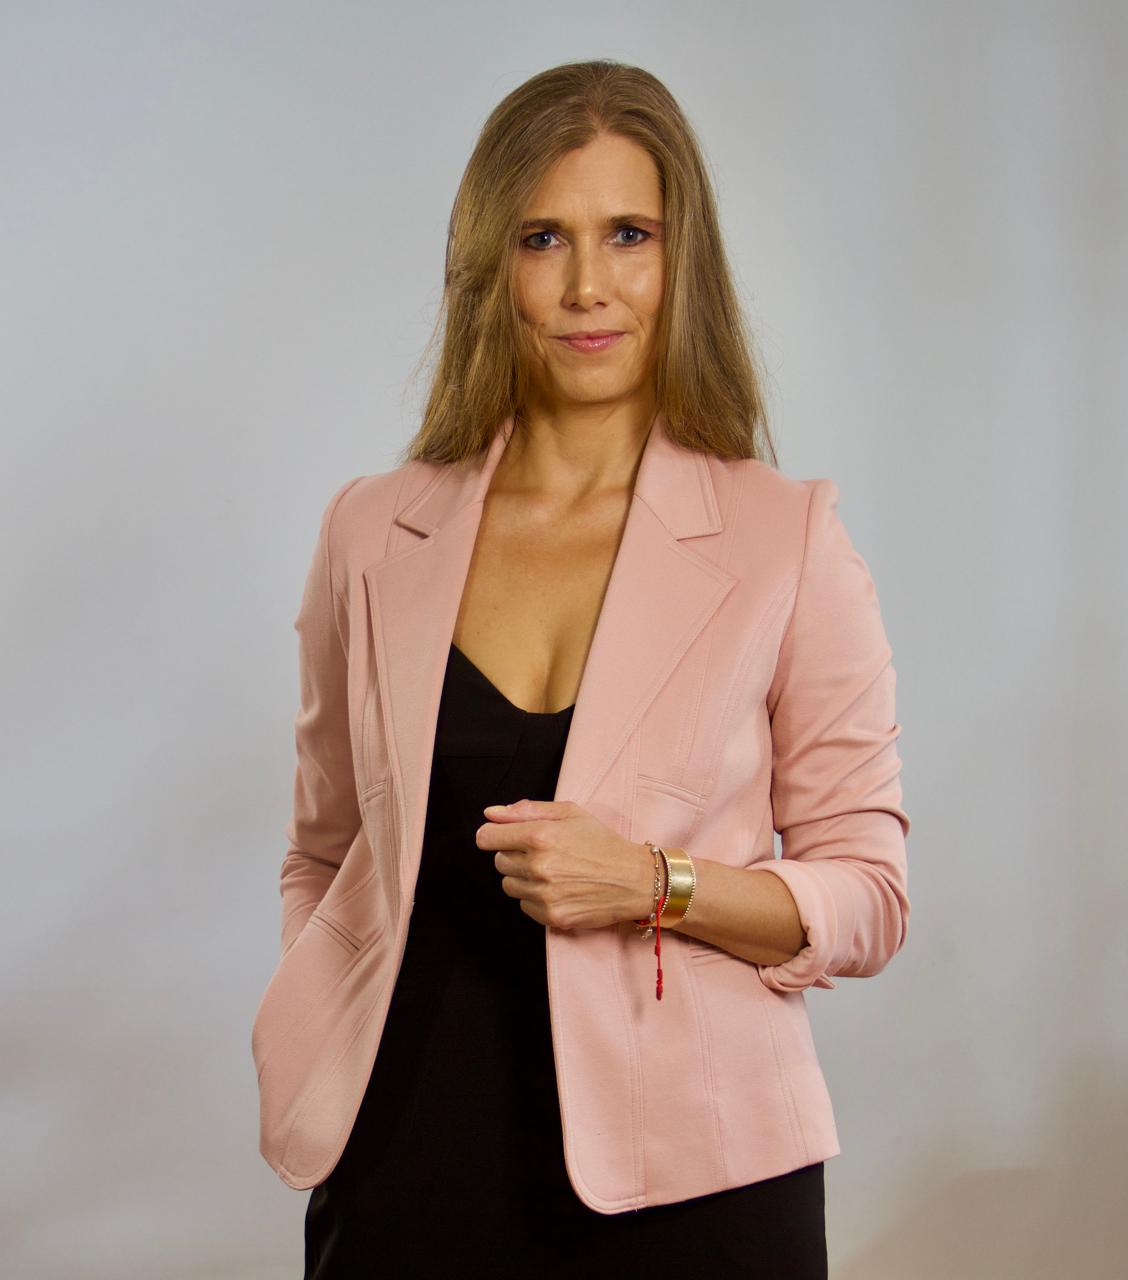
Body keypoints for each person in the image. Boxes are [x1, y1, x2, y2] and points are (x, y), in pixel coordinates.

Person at [251, 59, 911, 1279]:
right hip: (403, 1165)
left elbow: (869, 891)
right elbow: (324, 853)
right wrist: (337, 1036)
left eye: (629, 235)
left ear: (681, 258)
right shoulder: (371, 530)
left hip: (700, 1184)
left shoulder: (787, 537)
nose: (587, 285)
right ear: (489, 266)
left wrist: (655, 882)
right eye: (543, 238)